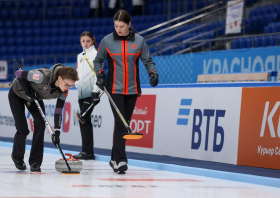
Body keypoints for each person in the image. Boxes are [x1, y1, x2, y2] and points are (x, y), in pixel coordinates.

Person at [93, 10, 159, 173]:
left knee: (123, 123)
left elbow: (147, 60)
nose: (119, 29)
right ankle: (121, 160)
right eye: (116, 26)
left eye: (122, 26)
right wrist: (100, 75)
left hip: (132, 89)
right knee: (122, 123)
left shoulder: (140, 41)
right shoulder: (107, 41)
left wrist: (153, 73)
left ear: (129, 25)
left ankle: (114, 158)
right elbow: (98, 61)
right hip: (113, 89)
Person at [9, 64, 79, 173]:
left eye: (71, 86)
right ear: (59, 78)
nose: (68, 88)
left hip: (34, 97)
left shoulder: (64, 90)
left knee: (41, 123)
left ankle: (35, 162)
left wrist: (57, 131)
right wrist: (28, 92)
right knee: (23, 130)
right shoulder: (41, 76)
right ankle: (17, 157)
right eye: (67, 85)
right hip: (17, 94)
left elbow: (58, 110)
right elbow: (18, 74)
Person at [73, 31, 101, 160]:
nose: (85, 43)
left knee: (83, 119)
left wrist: (96, 91)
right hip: (82, 92)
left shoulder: (96, 55)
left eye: (88, 41)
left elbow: (98, 74)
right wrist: (76, 84)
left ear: (92, 41)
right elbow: (78, 73)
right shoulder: (80, 55)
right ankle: (88, 152)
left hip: (91, 92)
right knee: (85, 121)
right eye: (83, 41)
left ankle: (87, 151)